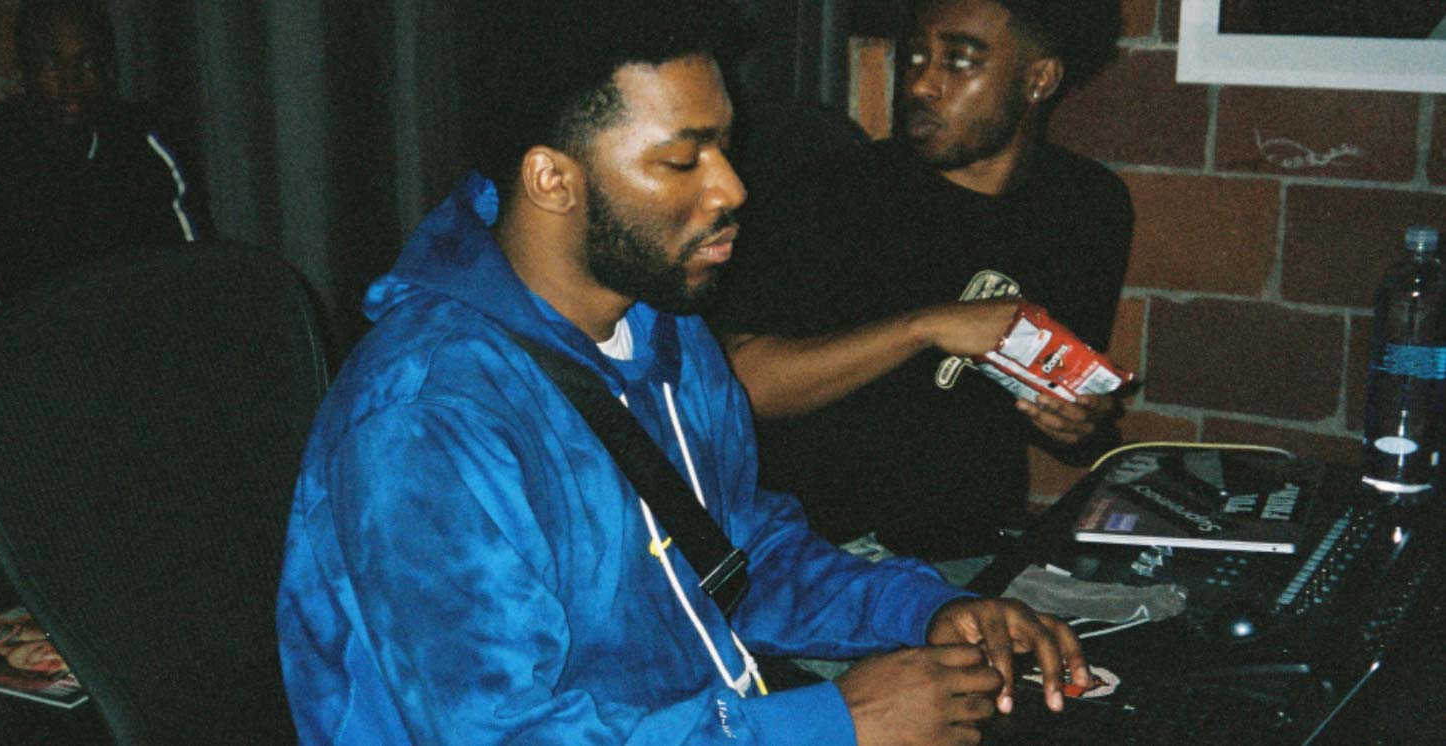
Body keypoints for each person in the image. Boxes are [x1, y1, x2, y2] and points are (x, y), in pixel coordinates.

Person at [276, 2, 1088, 743]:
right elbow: (501, 734)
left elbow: (734, 553)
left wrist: (925, 610)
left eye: (724, 149)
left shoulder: (662, 327)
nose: (732, 187)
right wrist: (833, 724)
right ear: (552, 180)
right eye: (680, 161)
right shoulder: (428, 417)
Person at [708, 0, 1132, 574]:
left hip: (968, 547)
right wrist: (926, 327)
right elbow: (743, 383)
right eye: (915, 57)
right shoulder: (832, 192)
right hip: (813, 552)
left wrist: (1076, 422)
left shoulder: (1086, 206)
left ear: (1039, 79)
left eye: (959, 61)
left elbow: (1069, 418)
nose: (921, 84)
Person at [0, 0, 212, 309]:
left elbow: (198, 267)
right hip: (20, 331)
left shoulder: (149, 143)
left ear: (110, 71)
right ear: (23, 72)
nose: (70, 82)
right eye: (51, 65)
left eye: (87, 63)